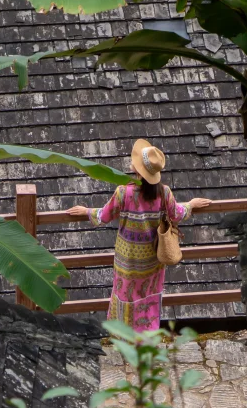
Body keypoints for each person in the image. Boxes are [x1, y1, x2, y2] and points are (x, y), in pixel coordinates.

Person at [67, 138, 210, 330]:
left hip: (127, 259)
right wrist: (191, 205)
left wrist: (85, 211)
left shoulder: (123, 193)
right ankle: (146, 333)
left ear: (136, 169)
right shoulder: (164, 192)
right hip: (152, 259)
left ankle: (126, 336)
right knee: (148, 296)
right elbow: (177, 213)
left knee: (125, 295)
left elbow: (104, 216)